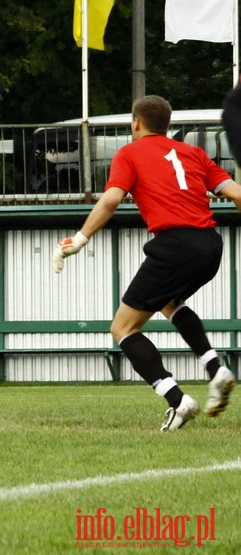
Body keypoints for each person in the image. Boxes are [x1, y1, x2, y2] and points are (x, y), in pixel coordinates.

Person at [53, 95, 238, 431]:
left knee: (123, 328)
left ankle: (177, 400)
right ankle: (216, 369)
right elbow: (237, 194)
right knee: (169, 303)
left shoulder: (129, 152)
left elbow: (111, 199)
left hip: (174, 245)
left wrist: (79, 239)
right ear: (167, 125)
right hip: (211, 245)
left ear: (136, 122)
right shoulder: (194, 153)